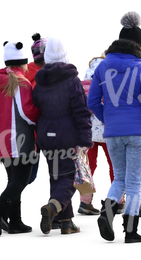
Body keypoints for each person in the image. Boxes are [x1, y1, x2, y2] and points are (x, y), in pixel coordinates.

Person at [90, 11, 141, 243]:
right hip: (138, 131)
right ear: (139, 45)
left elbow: (92, 102)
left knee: (118, 178)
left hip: (112, 132)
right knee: (133, 182)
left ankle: (106, 213)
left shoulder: (101, 67)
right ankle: (130, 231)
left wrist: (107, 119)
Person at [33, 36, 92, 235]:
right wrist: (85, 139)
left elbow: (36, 105)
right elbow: (81, 111)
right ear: (65, 57)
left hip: (46, 136)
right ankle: (54, 206)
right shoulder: (72, 80)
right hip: (67, 135)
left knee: (55, 176)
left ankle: (65, 222)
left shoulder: (40, 82)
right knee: (71, 177)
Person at [0, 41, 40, 236]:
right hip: (21, 140)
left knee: (13, 180)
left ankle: (15, 222)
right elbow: (27, 113)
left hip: (1, 140)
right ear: (23, 62)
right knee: (21, 180)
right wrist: (40, 116)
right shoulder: (21, 83)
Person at [77, 53, 108, 216]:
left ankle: (85, 202)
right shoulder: (108, 77)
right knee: (115, 165)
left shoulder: (82, 82)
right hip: (107, 129)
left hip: (87, 131)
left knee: (87, 167)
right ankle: (118, 201)